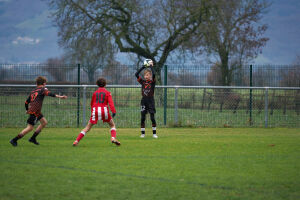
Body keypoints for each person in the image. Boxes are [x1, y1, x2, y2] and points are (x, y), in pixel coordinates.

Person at [10, 76, 67, 146]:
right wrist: (61, 97)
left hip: (36, 111)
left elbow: (26, 102)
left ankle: (33, 138)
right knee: (30, 128)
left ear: (36, 83)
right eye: (45, 83)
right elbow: (50, 94)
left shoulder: (33, 91)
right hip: (35, 111)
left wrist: (27, 109)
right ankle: (14, 139)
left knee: (44, 122)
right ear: (44, 83)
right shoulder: (42, 89)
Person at [73, 77, 120, 146]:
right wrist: (113, 111)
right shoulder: (107, 93)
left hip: (95, 110)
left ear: (97, 85)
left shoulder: (95, 93)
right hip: (104, 111)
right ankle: (113, 138)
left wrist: (92, 112)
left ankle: (76, 141)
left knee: (87, 127)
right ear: (105, 85)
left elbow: (92, 103)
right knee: (112, 125)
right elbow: (111, 103)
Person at [135, 59, 158, 138]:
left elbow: (154, 73)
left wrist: (151, 67)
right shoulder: (142, 82)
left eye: (148, 75)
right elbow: (136, 74)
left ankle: (154, 134)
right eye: (145, 75)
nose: (146, 76)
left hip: (151, 101)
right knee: (142, 118)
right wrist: (143, 67)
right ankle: (143, 134)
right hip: (144, 101)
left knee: (152, 117)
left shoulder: (152, 82)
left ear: (150, 76)